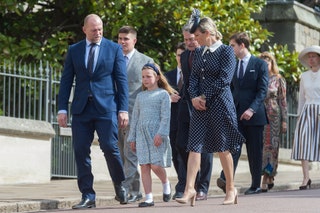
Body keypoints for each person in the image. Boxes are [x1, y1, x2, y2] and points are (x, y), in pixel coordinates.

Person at [57, 14, 129, 209]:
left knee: (109, 147)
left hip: (106, 107)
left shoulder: (114, 49)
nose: (97, 33)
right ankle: (88, 195)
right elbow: (65, 81)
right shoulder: (74, 50)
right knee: (81, 151)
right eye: (93, 30)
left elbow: (121, 81)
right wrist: (62, 108)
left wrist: (123, 109)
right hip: (81, 109)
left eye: (100, 29)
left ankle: (120, 185)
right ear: (84, 30)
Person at [175, 13, 245, 206]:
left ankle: (231, 188)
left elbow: (224, 80)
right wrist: (195, 97)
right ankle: (190, 188)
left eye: (196, 36)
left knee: (223, 148)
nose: (194, 40)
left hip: (220, 105)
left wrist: (204, 97)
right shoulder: (198, 53)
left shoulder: (226, 52)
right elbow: (193, 79)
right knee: (194, 147)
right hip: (200, 107)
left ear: (207, 33)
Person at [216, 32, 269, 195]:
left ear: (242, 45)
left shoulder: (260, 64)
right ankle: (226, 179)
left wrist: (251, 109)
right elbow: (230, 89)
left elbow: (262, 90)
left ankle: (255, 185)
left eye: (232, 45)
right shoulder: (232, 64)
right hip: (235, 114)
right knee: (233, 147)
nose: (230, 48)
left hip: (255, 116)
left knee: (254, 152)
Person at [174, 23, 214, 201]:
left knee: (204, 148)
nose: (189, 42)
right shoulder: (184, 57)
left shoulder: (207, 54)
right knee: (181, 145)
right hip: (186, 105)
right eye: (186, 39)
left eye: (192, 39)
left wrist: (203, 98)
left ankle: (203, 187)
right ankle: (193, 181)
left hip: (204, 105)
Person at [127, 63, 174, 207]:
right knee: (144, 166)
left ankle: (166, 183)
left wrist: (161, 133)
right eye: (143, 77)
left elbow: (166, 116)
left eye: (148, 76)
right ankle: (148, 198)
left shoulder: (163, 94)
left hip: (156, 134)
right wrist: (132, 137)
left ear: (157, 77)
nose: (145, 79)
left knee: (155, 165)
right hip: (141, 134)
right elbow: (135, 118)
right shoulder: (140, 96)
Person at [117, 25, 154, 203]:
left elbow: (154, 87)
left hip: (136, 115)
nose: (122, 42)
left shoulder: (146, 60)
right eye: (120, 38)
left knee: (131, 154)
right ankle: (135, 190)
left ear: (134, 40)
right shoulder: (113, 58)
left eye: (126, 39)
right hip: (114, 113)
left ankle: (125, 189)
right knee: (120, 154)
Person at [291, 45, 320, 190]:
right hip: (307, 111)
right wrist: (299, 116)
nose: (311, 59)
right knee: (303, 142)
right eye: (309, 56)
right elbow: (301, 97)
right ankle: (306, 178)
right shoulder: (304, 76)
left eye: (314, 56)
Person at [259, 52, 288, 192]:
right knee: (262, 149)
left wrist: (285, 121)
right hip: (260, 116)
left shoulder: (278, 79)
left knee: (272, 148)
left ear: (272, 64)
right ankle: (266, 175)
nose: (265, 64)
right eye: (262, 62)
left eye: (267, 62)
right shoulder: (258, 78)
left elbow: (283, 101)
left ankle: (268, 175)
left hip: (274, 118)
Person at [164, 42, 186, 199]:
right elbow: (158, 93)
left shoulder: (195, 74)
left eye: (184, 55)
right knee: (175, 154)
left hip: (190, 120)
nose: (181, 58)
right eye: (179, 55)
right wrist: (168, 97)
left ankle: (185, 184)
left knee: (187, 153)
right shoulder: (168, 76)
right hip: (173, 120)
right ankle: (183, 181)